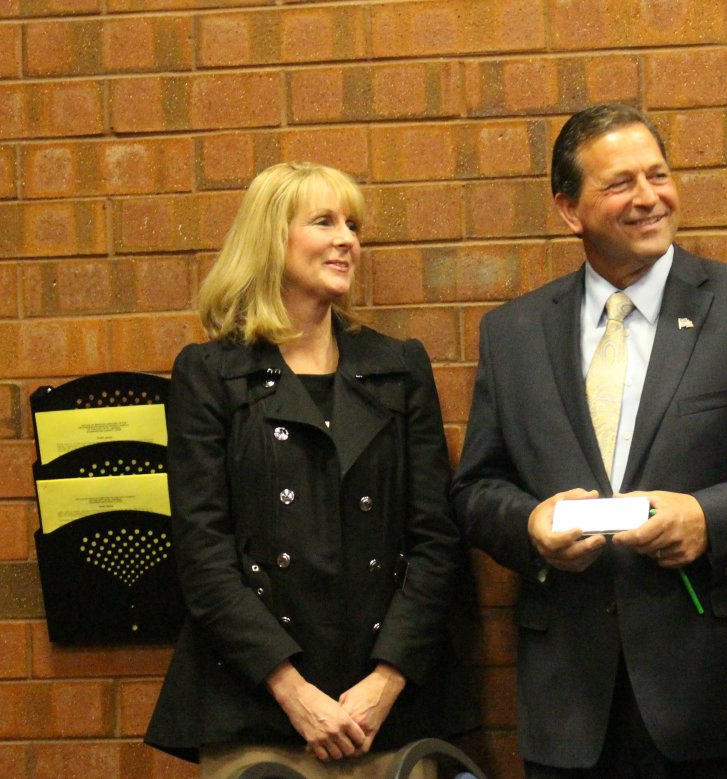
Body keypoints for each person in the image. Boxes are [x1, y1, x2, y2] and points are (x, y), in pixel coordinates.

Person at [451, 103, 727, 778]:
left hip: (720, 702)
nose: (648, 197)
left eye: (657, 175)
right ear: (569, 208)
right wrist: (530, 526)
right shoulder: (511, 335)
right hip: (572, 707)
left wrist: (709, 518)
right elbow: (478, 488)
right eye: (620, 183)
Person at [145, 162, 477, 777]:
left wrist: (386, 680)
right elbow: (203, 556)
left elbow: (436, 540)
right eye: (324, 222)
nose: (347, 239)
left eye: (352, 224)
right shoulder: (212, 374)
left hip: (386, 713)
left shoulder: (397, 367)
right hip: (255, 707)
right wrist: (293, 692)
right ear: (271, 240)